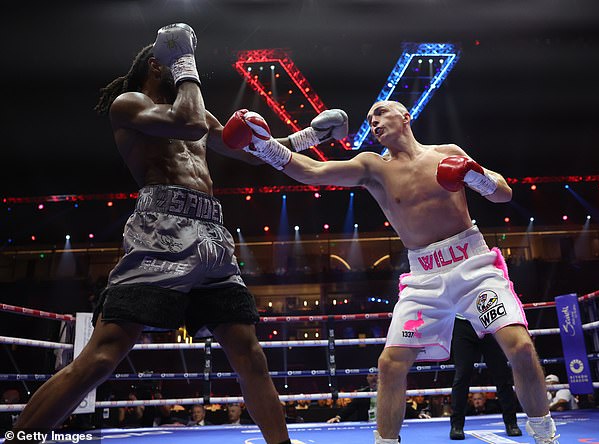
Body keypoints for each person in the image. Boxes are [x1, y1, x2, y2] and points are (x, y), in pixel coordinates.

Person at [7, 23, 320, 444]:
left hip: (212, 236)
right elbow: (187, 124)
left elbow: (250, 151)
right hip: (160, 232)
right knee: (102, 356)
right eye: (176, 61)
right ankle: (20, 439)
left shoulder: (194, 108)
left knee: (250, 353)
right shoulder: (129, 104)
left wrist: (311, 136)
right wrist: (184, 63)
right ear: (159, 64)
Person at [222, 100, 559, 444]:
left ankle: (545, 434)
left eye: (381, 112)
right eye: (370, 119)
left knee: (518, 346)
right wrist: (263, 145)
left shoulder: (447, 152)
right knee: (389, 364)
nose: (374, 121)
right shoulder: (373, 167)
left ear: (405, 116)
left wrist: (475, 175)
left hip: (473, 265)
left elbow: (504, 194)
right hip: (424, 276)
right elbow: (310, 171)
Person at [450, 316, 522, 439]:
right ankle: (456, 425)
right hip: (462, 321)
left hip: (489, 320)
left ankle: (511, 423)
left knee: (502, 374)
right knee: (462, 376)